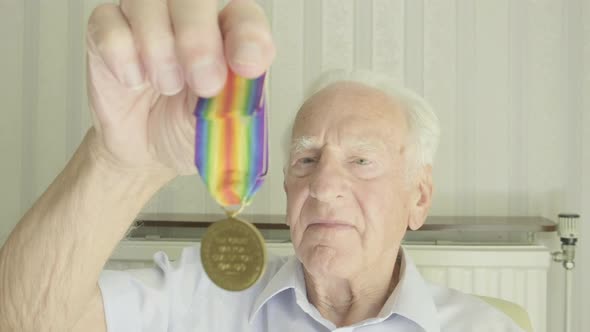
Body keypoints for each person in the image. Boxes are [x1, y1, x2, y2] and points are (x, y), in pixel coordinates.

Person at [0, 1, 524, 331]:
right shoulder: (199, 298)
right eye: (306, 159)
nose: (323, 186)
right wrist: (121, 163)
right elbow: (28, 321)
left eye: (362, 160)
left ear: (420, 198)